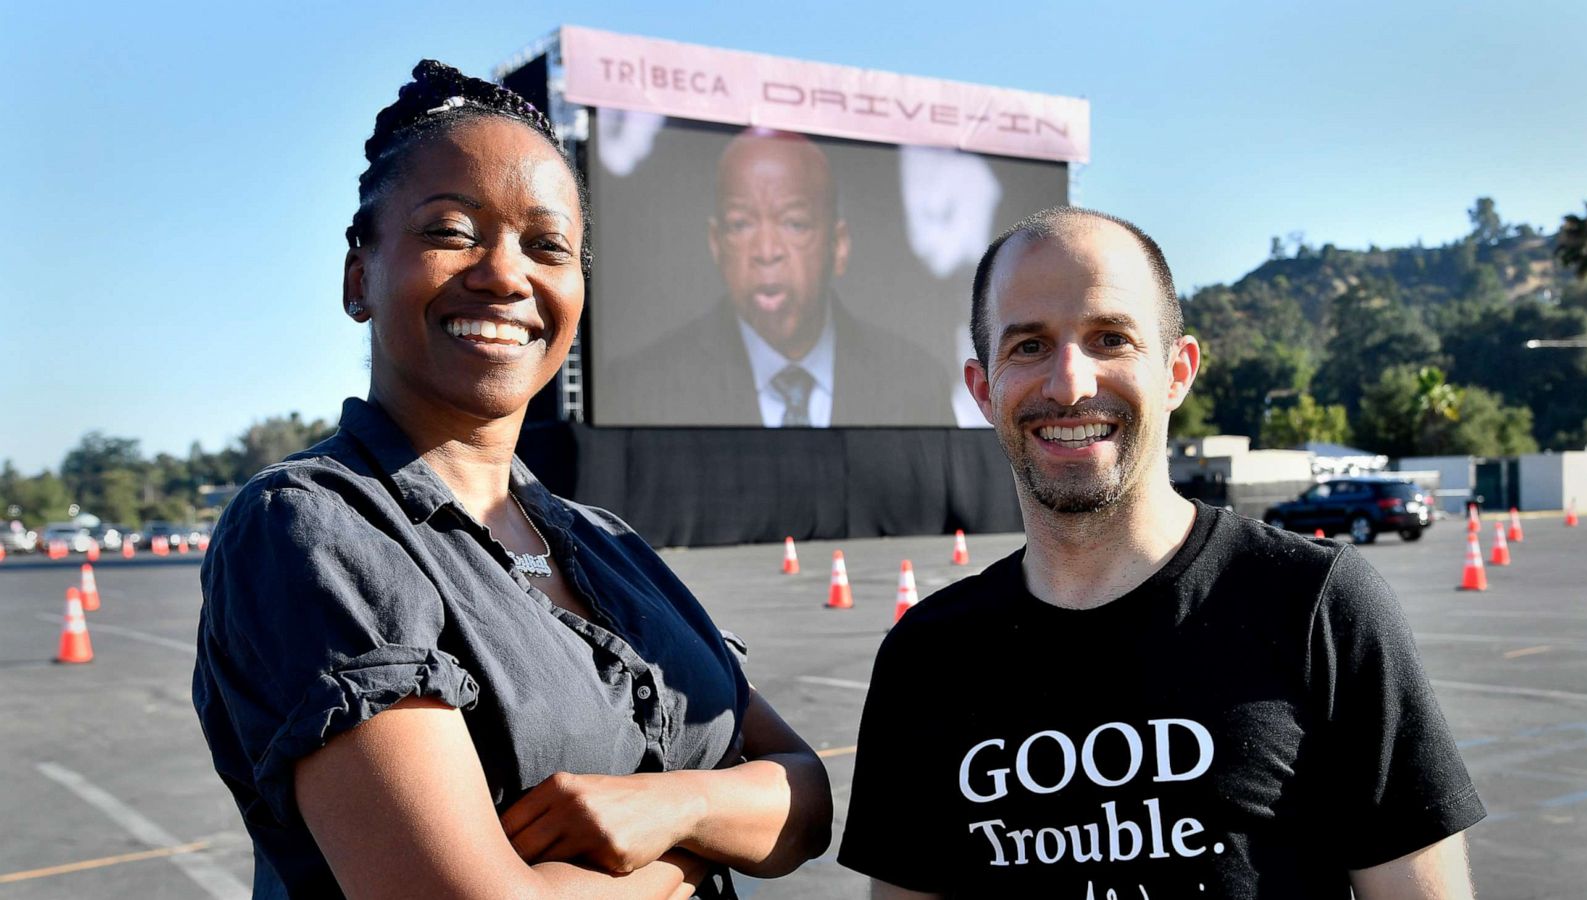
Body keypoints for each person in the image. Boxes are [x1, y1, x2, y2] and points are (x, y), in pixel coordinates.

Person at [192, 61, 831, 899]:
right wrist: (697, 855)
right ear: (359, 279)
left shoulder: (606, 544)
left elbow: (806, 798)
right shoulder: (316, 531)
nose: (503, 273)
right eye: (452, 231)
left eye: (546, 246)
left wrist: (672, 805)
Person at [838, 207, 1483, 898]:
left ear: (1178, 372)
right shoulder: (926, 658)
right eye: (1028, 346)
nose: (1070, 383)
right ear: (982, 389)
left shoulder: (1315, 605)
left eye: (1110, 338)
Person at [604, 128, 954, 427]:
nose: (767, 250)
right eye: (741, 224)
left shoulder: (917, 382)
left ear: (839, 246)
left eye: (794, 223)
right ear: (716, 245)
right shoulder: (640, 388)